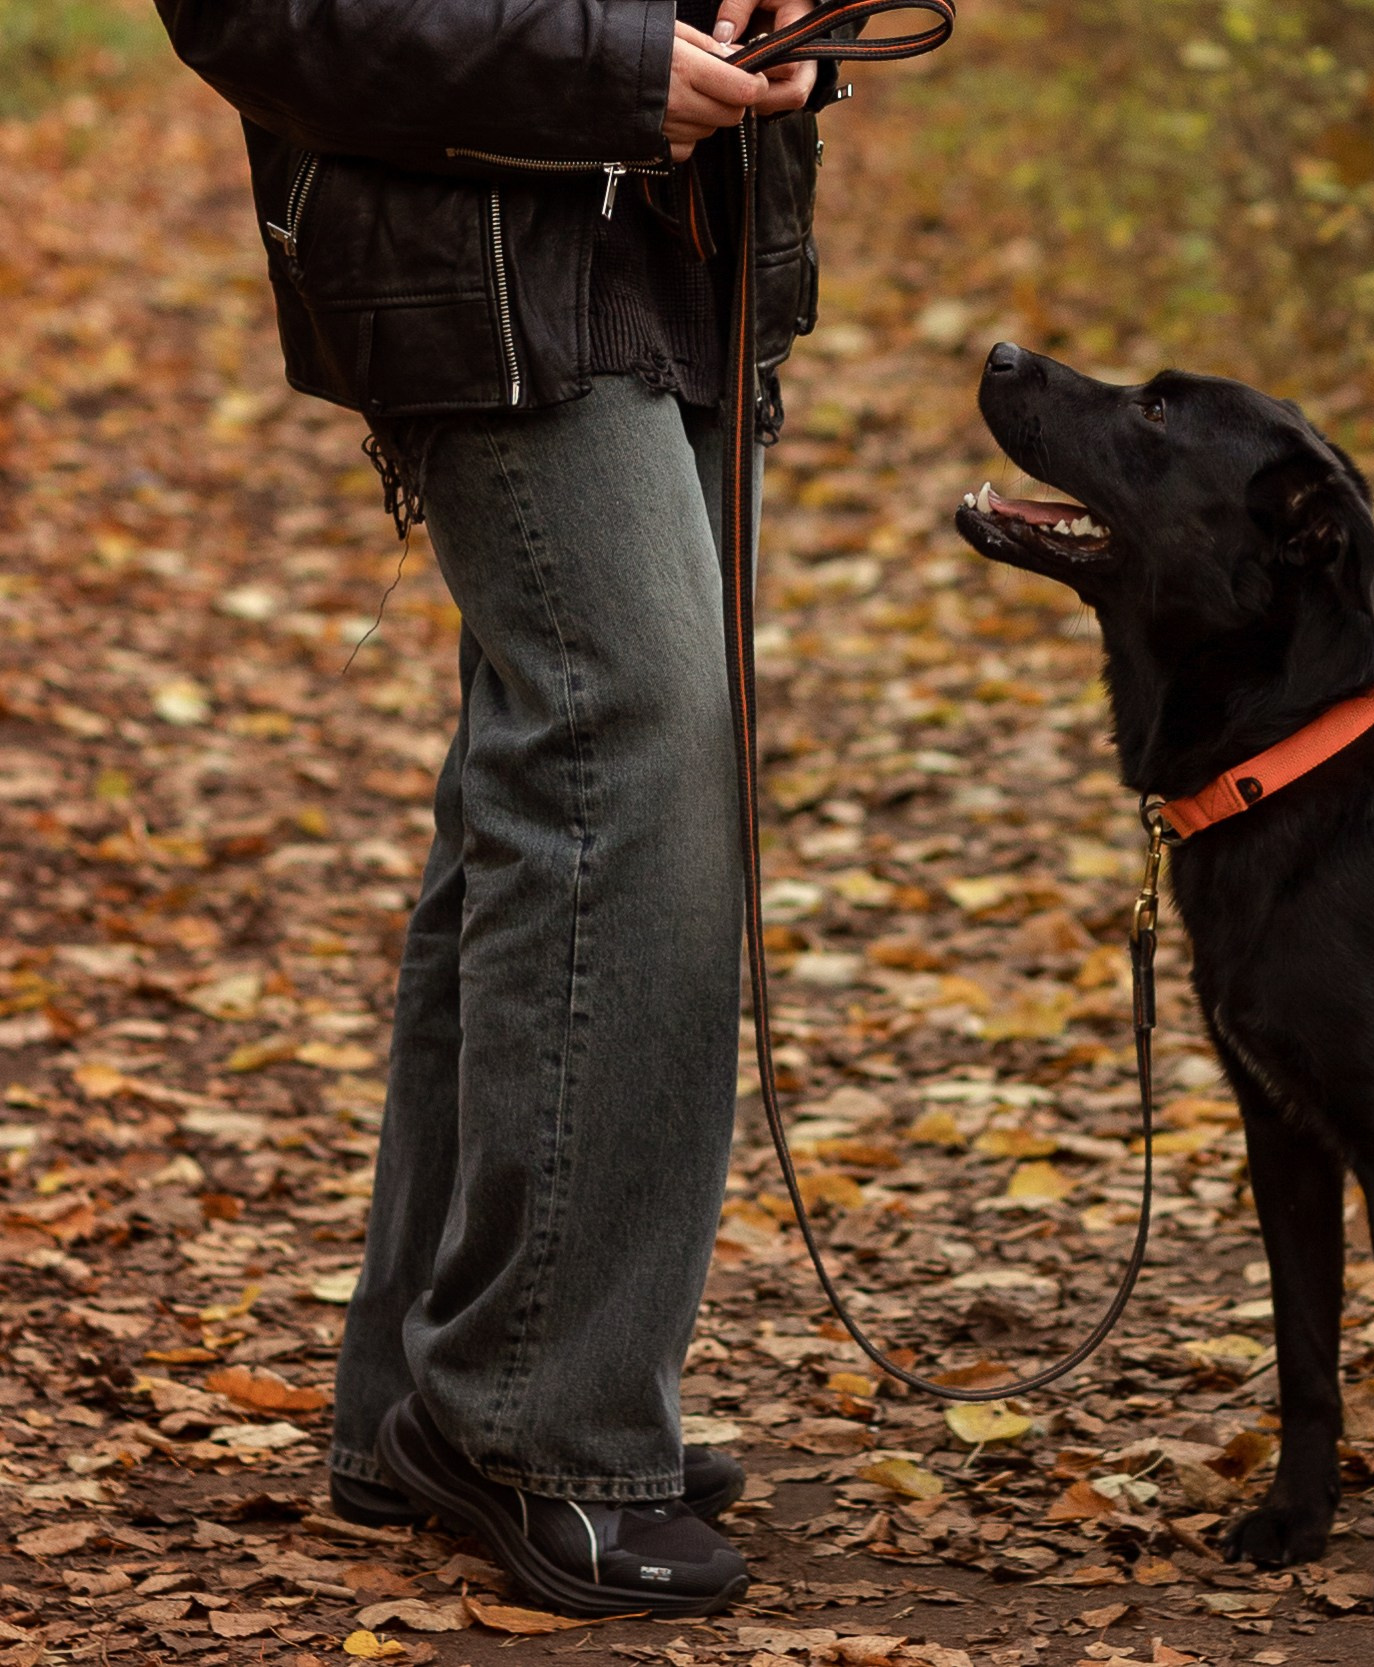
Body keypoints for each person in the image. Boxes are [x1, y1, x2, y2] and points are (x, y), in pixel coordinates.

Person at [155, 0, 841, 1618]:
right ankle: (536, 1424)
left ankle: (426, 1399)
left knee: (542, 803)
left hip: (685, 245)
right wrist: (605, 68)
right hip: (471, 256)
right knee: (633, 751)